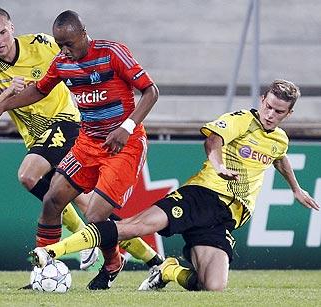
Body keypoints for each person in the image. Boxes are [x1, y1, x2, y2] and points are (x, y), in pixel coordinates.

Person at [30, 79, 319, 291]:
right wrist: (218, 165)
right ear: (262, 99)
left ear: (287, 115)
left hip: (226, 218)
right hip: (202, 196)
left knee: (213, 287)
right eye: (268, 106)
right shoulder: (243, 120)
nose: (270, 114)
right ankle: (52, 251)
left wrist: (295, 188)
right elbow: (213, 139)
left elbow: (279, 157)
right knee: (133, 226)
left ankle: (168, 270)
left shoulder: (279, 138)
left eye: (278, 112)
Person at [0, 10, 163, 290]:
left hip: (124, 145)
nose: (65, 50)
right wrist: (1, 106)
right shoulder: (62, 62)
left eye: (69, 43)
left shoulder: (113, 52)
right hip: (87, 144)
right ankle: (43, 274)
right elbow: (40, 90)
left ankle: (112, 262)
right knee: (51, 201)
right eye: (60, 45)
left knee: (95, 216)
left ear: (84, 33)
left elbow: (151, 91)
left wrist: (126, 127)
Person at [0, 6, 100, 271]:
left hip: (65, 121)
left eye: (2, 33)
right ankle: (109, 243)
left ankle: (86, 240)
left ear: (12, 28)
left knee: (28, 175)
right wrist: (7, 92)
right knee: (69, 195)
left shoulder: (41, 44)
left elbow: (76, 56)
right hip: (36, 139)